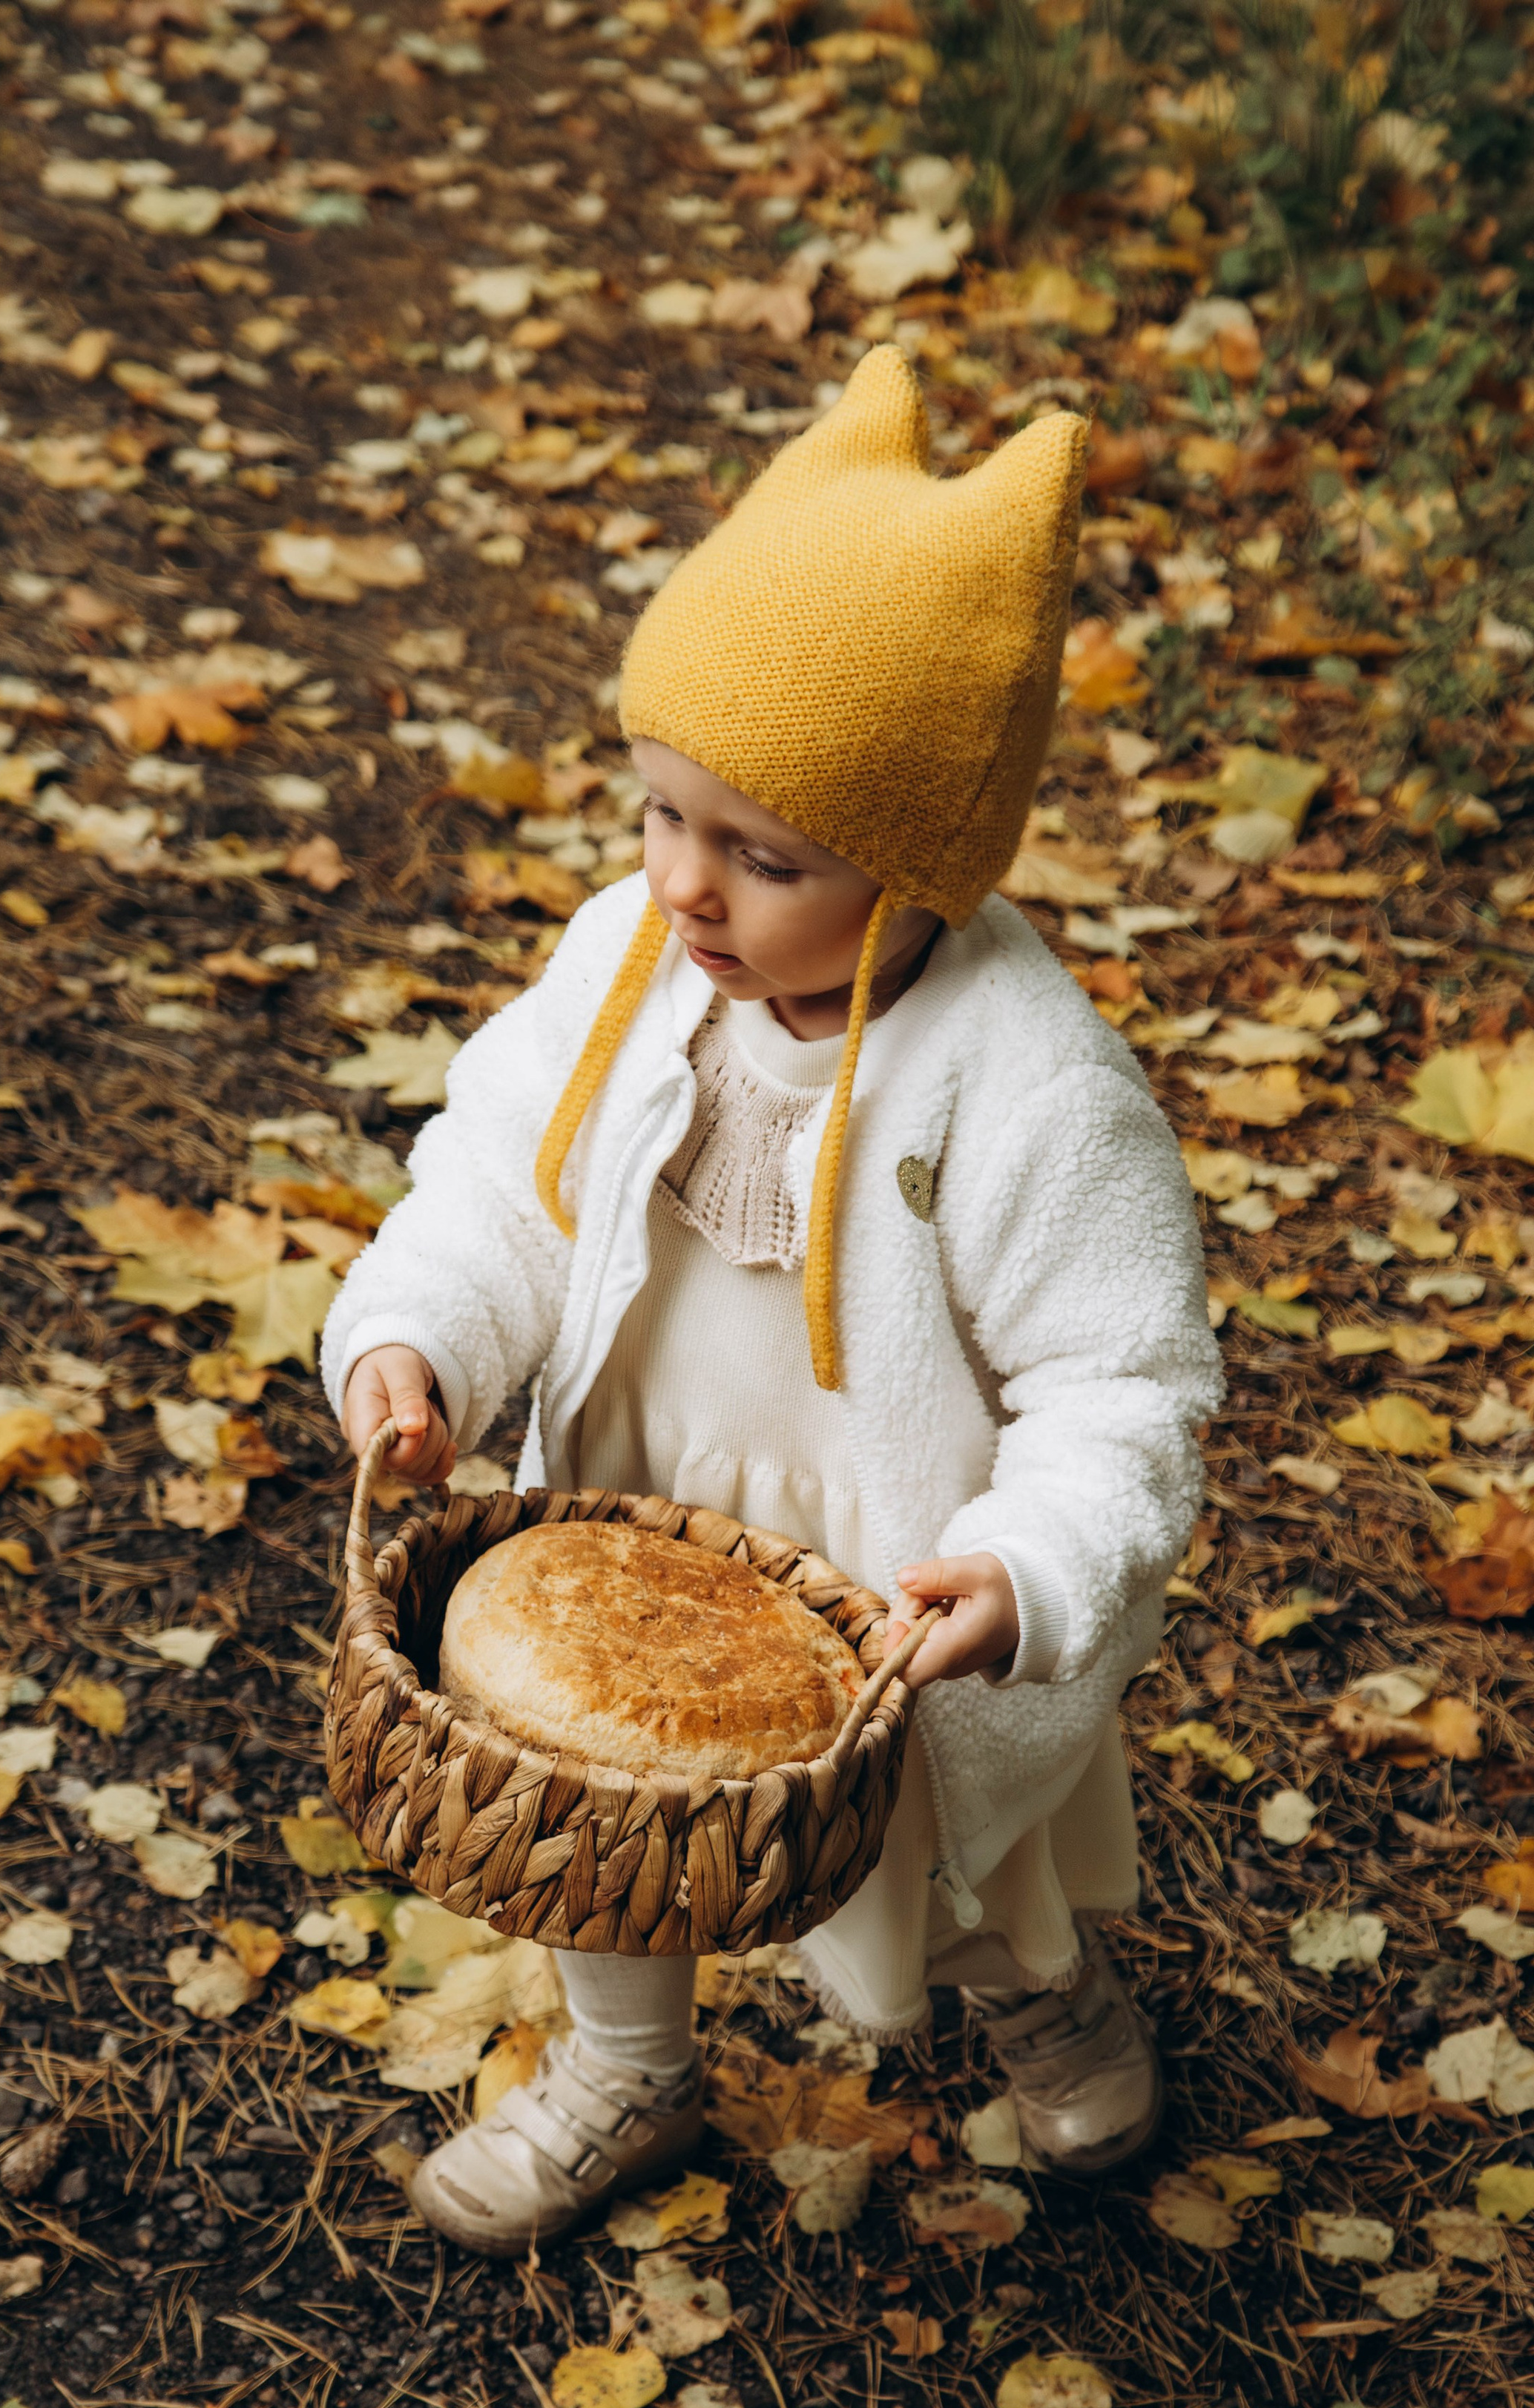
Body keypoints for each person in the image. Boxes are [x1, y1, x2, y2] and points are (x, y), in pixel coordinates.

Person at [321, 346, 1221, 2254]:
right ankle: (623, 2071)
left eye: (765, 855)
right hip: (629, 1522)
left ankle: (1038, 2000)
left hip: (884, 1574)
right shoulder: (627, 960)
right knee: (600, 1842)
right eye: (659, 815)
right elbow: (501, 1184)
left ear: (918, 865)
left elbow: (1121, 1385)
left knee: (938, 1856)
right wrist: (422, 1339)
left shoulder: (1027, 1084)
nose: (686, 890)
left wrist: (1026, 1567)